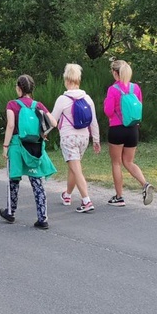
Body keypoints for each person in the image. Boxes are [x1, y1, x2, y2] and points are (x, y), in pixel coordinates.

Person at [0, 74, 58, 229]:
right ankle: (42, 218)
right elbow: (54, 122)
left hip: (17, 145)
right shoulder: (37, 105)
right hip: (34, 146)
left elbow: (11, 126)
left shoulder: (12, 104)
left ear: (19, 88)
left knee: (14, 179)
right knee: (36, 181)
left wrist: (5, 146)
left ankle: (10, 212)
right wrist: (44, 133)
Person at [51, 64, 101, 213]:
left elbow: (53, 120)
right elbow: (93, 121)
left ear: (66, 80)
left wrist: (43, 133)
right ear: (78, 79)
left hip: (68, 138)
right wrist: (96, 140)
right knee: (74, 168)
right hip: (83, 138)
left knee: (76, 170)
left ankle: (86, 200)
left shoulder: (62, 99)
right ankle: (67, 195)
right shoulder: (87, 98)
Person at [104, 60, 154, 206]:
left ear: (115, 73)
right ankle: (145, 184)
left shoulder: (113, 89)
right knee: (129, 161)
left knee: (116, 163)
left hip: (117, 129)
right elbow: (139, 107)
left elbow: (108, 111)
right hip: (133, 129)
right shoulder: (135, 88)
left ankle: (119, 197)